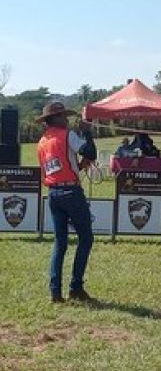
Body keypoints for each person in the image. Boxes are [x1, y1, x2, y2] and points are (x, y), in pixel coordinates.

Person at [36, 102, 97, 303]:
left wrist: (79, 166)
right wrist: (87, 133)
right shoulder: (67, 135)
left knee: (60, 243)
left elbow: (56, 170)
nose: (67, 120)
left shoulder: (42, 142)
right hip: (71, 192)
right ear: (55, 119)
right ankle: (76, 287)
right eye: (63, 116)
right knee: (86, 238)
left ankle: (55, 292)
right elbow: (90, 152)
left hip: (54, 193)